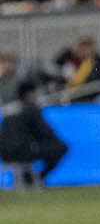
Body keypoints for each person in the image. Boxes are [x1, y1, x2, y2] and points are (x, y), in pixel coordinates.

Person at [0, 52, 66, 185]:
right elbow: (44, 131)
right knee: (59, 147)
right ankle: (37, 177)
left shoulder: (11, 108)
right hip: (23, 150)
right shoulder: (29, 109)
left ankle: (30, 177)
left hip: (5, 151)